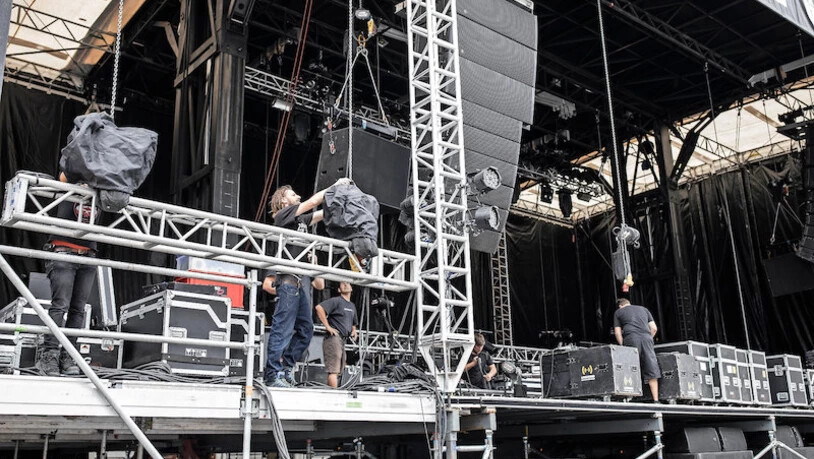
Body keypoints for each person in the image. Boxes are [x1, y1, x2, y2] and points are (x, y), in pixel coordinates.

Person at [263, 179, 350, 387]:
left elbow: (322, 213)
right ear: (283, 201)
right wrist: (335, 186)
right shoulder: (283, 216)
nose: (298, 197)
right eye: (293, 195)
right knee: (282, 328)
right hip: (288, 281)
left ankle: (285, 368)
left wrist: (343, 203)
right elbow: (313, 202)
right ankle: (272, 374)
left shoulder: (301, 220)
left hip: (302, 282)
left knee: (306, 330)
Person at [37, 172, 98, 376]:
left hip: (87, 255)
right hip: (63, 251)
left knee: (78, 310)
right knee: (60, 305)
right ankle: (49, 356)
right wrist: (80, 177)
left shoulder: (103, 189)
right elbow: (63, 175)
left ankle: (68, 355)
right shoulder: (71, 178)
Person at [613, 298, 661, 402]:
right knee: (651, 367)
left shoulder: (619, 312)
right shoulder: (644, 309)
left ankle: (630, 397)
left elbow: (617, 332)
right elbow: (654, 328)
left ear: (620, 306)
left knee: (630, 368)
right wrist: (648, 338)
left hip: (631, 338)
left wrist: (623, 346)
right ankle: (656, 400)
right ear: (629, 303)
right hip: (647, 338)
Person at [315, 282, 358, 388]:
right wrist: (328, 326)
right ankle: (334, 395)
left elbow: (353, 322)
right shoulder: (336, 301)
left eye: (347, 283)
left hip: (343, 340)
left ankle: (336, 392)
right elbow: (319, 308)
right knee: (333, 370)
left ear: (351, 288)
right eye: (342, 284)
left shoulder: (352, 306)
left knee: (340, 369)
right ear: (339, 290)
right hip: (334, 338)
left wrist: (354, 330)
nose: (345, 285)